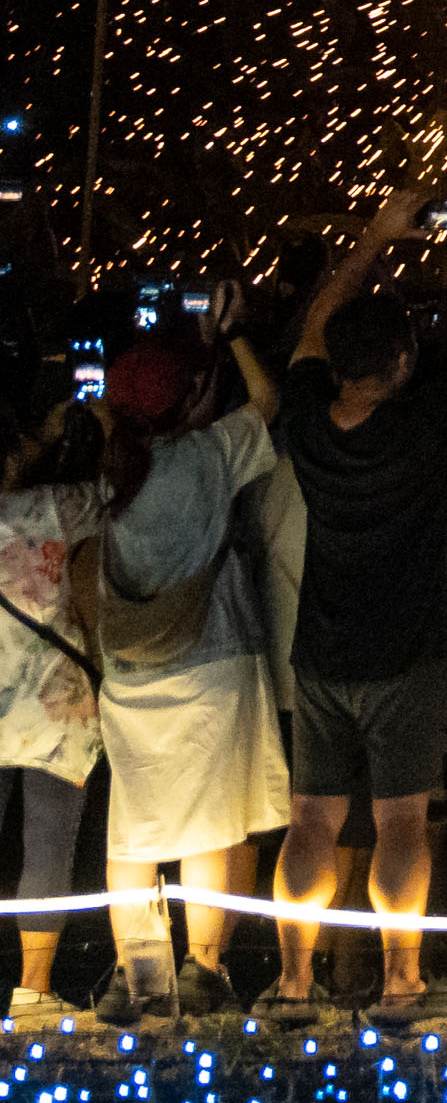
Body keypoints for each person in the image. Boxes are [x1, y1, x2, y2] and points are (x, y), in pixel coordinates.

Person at [271, 184, 447, 1022]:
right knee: (401, 821)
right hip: (406, 654)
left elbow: (313, 328)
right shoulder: (423, 428)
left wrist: (373, 236)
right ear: (405, 364)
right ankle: (402, 983)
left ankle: (293, 984)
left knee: (311, 819)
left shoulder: (305, 421)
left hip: (321, 651)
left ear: (337, 364)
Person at [89, 318, 291, 1023]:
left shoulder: (108, 469)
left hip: (128, 672)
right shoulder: (210, 453)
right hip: (210, 661)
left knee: (133, 831)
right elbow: (268, 399)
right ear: (190, 398)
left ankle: (136, 978)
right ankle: (203, 972)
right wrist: (235, 335)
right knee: (209, 826)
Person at [1, 368, 109, 1021]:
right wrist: (82, 427)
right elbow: (117, 488)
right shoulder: (51, 509)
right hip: (55, 706)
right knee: (48, 844)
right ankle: (33, 990)